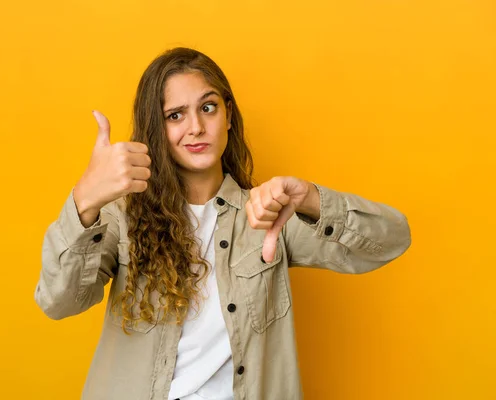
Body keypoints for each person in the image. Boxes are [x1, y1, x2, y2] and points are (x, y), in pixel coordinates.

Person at [34, 47, 412, 400]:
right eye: (175, 115)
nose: (196, 127)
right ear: (157, 129)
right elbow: (57, 302)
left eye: (209, 107)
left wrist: (310, 198)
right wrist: (85, 201)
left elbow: (393, 239)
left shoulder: (267, 216)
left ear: (228, 115)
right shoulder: (121, 218)